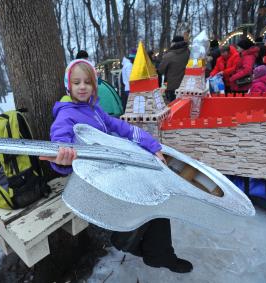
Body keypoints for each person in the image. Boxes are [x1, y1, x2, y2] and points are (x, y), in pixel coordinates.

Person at [40, 59, 193, 273]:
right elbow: (60, 145)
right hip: (95, 183)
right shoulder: (66, 114)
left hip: (112, 169)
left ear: (94, 85)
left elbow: (123, 127)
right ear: (69, 85)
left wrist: (152, 146)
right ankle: (133, 243)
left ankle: (158, 253)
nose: (82, 86)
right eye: (77, 82)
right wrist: (62, 160)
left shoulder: (94, 109)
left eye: (87, 82)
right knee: (149, 196)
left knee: (156, 193)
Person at [158, 36, 190, 103]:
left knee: (173, 106)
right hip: (187, 85)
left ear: (174, 43)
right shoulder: (189, 53)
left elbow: (160, 70)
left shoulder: (169, 55)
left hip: (172, 86)